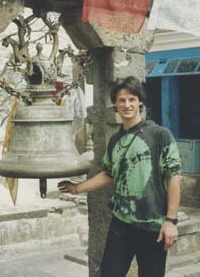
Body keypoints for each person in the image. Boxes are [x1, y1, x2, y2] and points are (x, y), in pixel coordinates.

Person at [58, 76, 181, 277]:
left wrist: (171, 221)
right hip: (121, 223)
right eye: (121, 100)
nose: (127, 105)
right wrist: (77, 188)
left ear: (140, 101)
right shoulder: (115, 140)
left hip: (153, 225)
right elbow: (109, 175)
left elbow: (174, 177)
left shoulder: (160, 135)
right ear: (114, 104)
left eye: (132, 99)